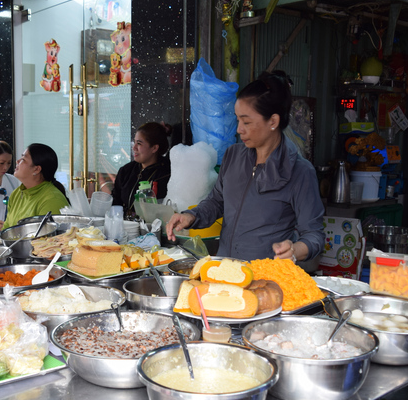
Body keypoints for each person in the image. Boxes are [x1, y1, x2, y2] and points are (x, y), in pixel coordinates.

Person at [166, 71, 324, 263]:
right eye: (238, 120)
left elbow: (314, 235)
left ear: (273, 121)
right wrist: (191, 216)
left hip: (266, 280)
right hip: (228, 272)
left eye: (247, 122)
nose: (239, 129)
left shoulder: (300, 172)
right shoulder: (233, 156)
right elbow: (216, 202)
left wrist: (295, 249)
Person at [1, 143, 69, 229]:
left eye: (23, 159)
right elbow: (7, 229)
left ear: (36, 169)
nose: (17, 161)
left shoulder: (52, 199)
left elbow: (50, 239)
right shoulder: (16, 194)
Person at [111, 122, 171, 217]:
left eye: (139, 143)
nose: (134, 147)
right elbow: (115, 202)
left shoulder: (166, 174)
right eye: (134, 142)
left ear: (154, 148)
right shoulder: (126, 170)